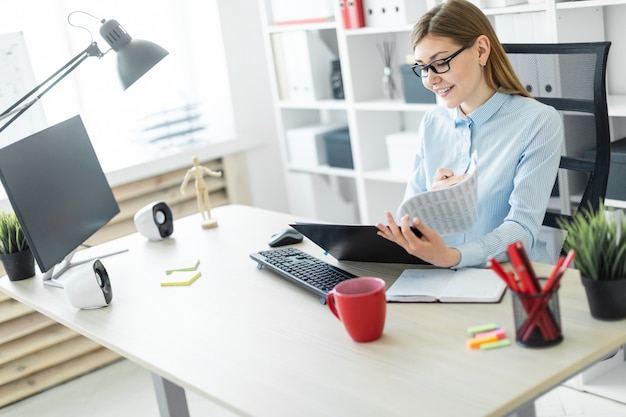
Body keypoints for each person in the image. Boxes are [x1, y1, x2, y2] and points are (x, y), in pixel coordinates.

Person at [375, 0, 563, 268]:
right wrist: (434, 200)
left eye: (440, 63)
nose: (430, 79)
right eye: (422, 67)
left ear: (481, 50)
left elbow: (522, 227)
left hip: (510, 275)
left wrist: (453, 257)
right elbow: (409, 218)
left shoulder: (538, 121)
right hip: (436, 273)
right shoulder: (432, 123)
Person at [180, 156, 223, 228]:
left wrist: (217, 174)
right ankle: (204, 217)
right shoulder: (192, 171)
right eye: (195, 161)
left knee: (207, 200)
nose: (196, 162)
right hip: (198, 185)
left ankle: (209, 216)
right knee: (200, 201)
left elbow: (211, 172)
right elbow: (185, 180)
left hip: (202, 184)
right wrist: (182, 189)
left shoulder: (201, 168)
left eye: (196, 160)